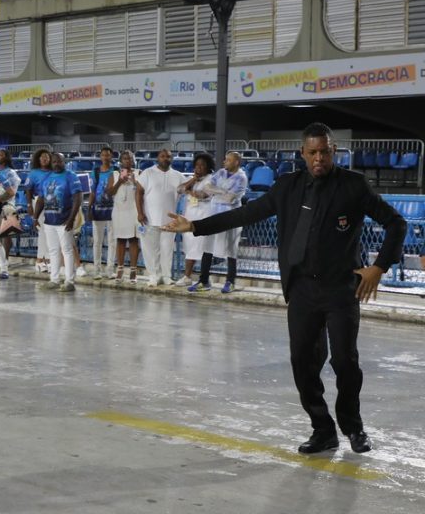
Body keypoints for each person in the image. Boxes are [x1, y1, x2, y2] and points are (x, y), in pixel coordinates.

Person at [163, 123, 406, 454]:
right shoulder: (288, 187)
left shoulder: (353, 186)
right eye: (313, 152)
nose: (319, 157)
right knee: (302, 361)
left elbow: (397, 223)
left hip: (340, 289)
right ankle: (323, 429)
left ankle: (353, 426)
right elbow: (246, 213)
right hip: (302, 288)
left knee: (345, 362)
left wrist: (379, 266)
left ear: (333, 151)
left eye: (325, 151)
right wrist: (194, 225)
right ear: (303, 154)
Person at [191, 151, 250, 294]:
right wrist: (222, 192)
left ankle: (230, 282)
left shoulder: (241, 178)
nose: (224, 162)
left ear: (236, 162)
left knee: (231, 249)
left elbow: (231, 199)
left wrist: (215, 191)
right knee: (208, 247)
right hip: (214, 213)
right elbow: (207, 187)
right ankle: (204, 281)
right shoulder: (221, 172)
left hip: (231, 216)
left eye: (228, 160)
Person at [33, 152, 83, 292]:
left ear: (64, 161)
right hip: (49, 220)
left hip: (64, 220)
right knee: (53, 250)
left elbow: (78, 198)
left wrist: (71, 219)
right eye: (54, 161)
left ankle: (69, 281)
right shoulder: (46, 177)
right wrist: (35, 217)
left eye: (59, 161)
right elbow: (41, 199)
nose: (56, 164)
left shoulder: (70, 176)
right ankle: (54, 280)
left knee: (67, 250)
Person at [136, 149, 185, 286]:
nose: (165, 159)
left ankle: (166, 276)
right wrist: (140, 212)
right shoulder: (148, 173)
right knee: (150, 250)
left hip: (170, 221)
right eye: (163, 156)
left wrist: (195, 178)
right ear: (158, 158)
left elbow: (186, 188)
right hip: (149, 219)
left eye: (168, 157)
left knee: (167, 249)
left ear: (172, 159)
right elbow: (138, 193)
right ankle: (153, 275)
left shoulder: (178, 175)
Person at [176, 153, 216, 288]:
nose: (199, 167)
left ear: (208, 167)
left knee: (203, 248)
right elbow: (179, 189)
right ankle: (187, 277)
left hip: (203, 217)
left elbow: (204, 195)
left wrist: (190, 192)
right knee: (190, 248)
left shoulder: (211, 179)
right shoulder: (192, 179)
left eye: (202, 165)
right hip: (189, 218)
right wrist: (193, 181)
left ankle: (204, 278)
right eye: (197, 165)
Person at [108, 150, 141, 284]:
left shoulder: (139, 173)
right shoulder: (114, 174)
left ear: (133, 160)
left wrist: (134, 182)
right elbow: (110, 192)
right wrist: (120, 182)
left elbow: (142, 192)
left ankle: (133, 270)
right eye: (125, 158)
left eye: (130, 158)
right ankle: (120, 269)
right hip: (119, 211)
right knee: (120, 240)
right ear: (121, 161)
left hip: (133, 210)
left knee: (133, 240)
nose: (127, 160)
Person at [89, 146, 117, 280]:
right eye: (103, 155)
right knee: (97, 241)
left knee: (112, 241)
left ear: (111, 157)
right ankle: (97, 269)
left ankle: (110, 269)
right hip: (98, 209)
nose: (106, 157)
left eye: (108, 155)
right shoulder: (95, 172)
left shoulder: (117, 171)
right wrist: (89, 208)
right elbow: (93, 192)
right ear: (100, 157)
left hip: (114, 210)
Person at [24, 148, 53, 273]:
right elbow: (28, 190)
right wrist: (29, 205)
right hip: (38, 202)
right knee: (43, 230)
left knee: (50, 231)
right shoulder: (34, 173)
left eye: (47, 156)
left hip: (53, 202)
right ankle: (40, 260)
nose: (45, 159)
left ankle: (47, 259)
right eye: (42, 157)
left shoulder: (54, 171)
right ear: (38, 159)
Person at [0, 149, 21, 261]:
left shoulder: (11, 172)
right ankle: (0, 258)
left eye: (1, 155)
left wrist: (0, 198)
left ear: (6, 157)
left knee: (7, 233)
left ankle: (5, 258)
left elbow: (12, 191)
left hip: (8, 204)